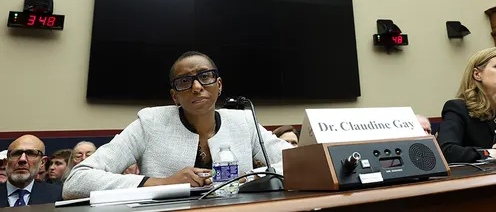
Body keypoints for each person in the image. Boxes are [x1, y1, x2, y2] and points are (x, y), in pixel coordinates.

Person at [63, 51, 293, 199]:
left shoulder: (244, 122)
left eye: (205, 76)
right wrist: (160, 183)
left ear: (219, 85)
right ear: (174, 96)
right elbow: (77, 181)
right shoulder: (150, 123)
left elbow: (301, 162)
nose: (196, 87)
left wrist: (252, 176)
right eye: (185, 81)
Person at [0, 135, 62, 207]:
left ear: (42, 162)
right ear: (5, 162)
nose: (22, 159)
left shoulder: (57, 195)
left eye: (31, 154)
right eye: (16, 153)